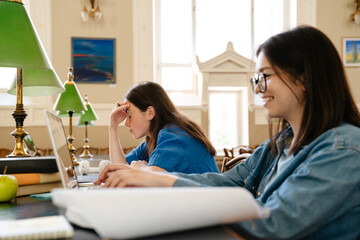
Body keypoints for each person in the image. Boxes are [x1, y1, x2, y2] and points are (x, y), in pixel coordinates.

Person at [95, 26, 360, 239]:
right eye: (256, 80)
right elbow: (230, 182)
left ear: (304, 79)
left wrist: (160, 180)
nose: (258, 89)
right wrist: (154, 177)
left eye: (264, 77)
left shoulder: (343, 150)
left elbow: (274, 225)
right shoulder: (282, 142)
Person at [108, 81, 219, 174]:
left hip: (209, 198)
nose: (126, 123)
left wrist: (141, 168)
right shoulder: (154, 139)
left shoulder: (174, 136)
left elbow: (152, 177)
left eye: (130, 116)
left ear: (150, 112)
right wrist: (113, 127)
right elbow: (120, 168)